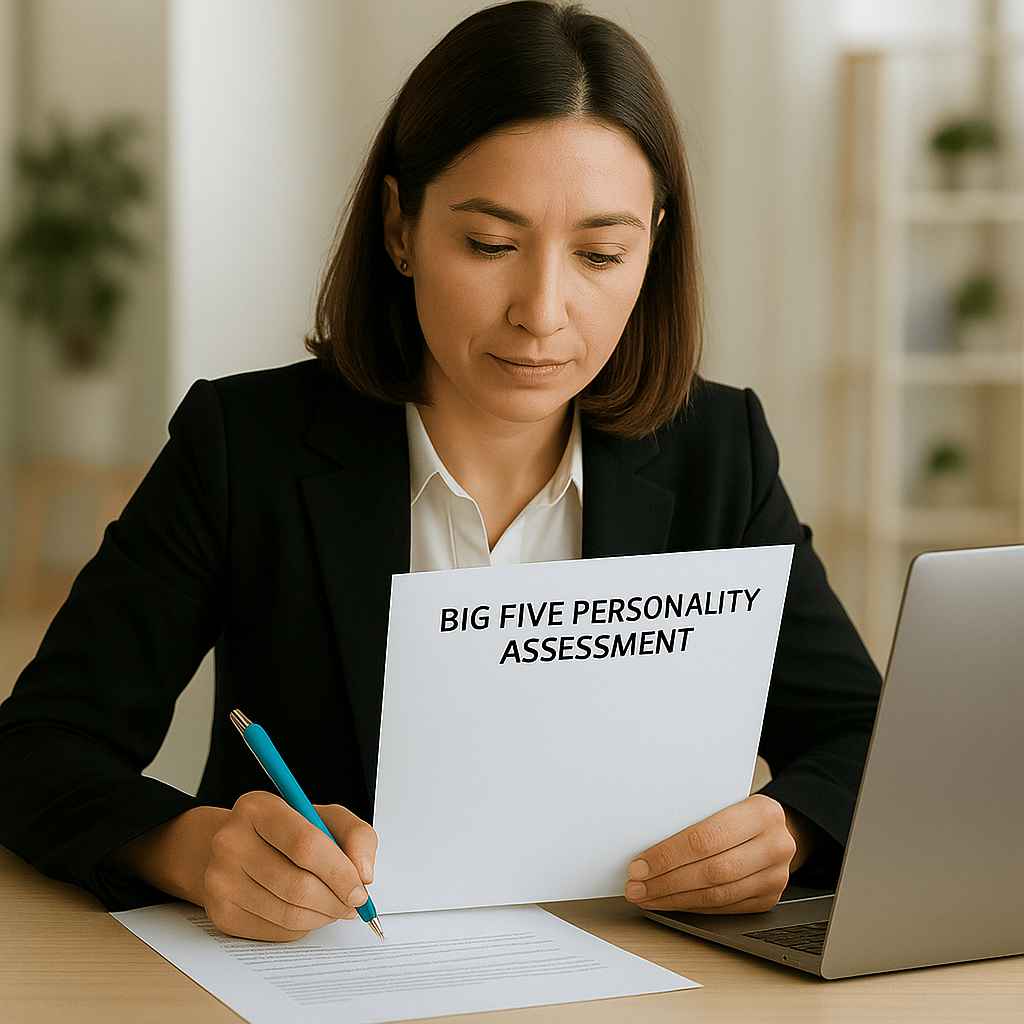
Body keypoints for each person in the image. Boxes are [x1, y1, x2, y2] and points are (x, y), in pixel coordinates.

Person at [0, 0, 882, 943]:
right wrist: (193, 847)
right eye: (490, 245)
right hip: (326, 980)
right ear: (399, 227)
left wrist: (786, 829)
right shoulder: (246, 444)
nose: (542, 312)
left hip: (638, 983)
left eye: (600, 253)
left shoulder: (716, 448)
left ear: (652, 248)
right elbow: (38, 748)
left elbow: (868, 739)